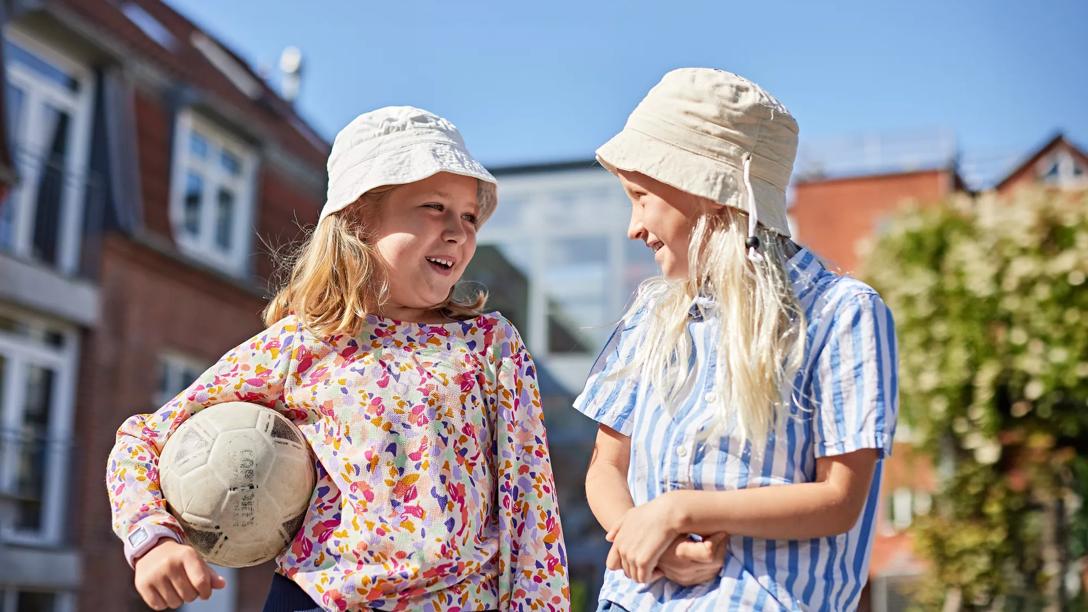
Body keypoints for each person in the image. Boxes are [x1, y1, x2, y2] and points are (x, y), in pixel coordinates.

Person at [107, 106, 570, 612]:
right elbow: (143, 438)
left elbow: (532, 509)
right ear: (357, 218)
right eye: (435, 207)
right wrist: (154, 539)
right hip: (319, 601)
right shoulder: (302, 343)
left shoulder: (489, 345)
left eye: (469, 216)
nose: (458, 231)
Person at [576, 68, 898, 611]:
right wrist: (647, 539)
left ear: (709, 194)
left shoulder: (843, 313)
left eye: (641, 196)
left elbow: (840, 500)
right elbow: (605, 467)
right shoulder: (650, 314)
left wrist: (680, 512)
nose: (633, 227)